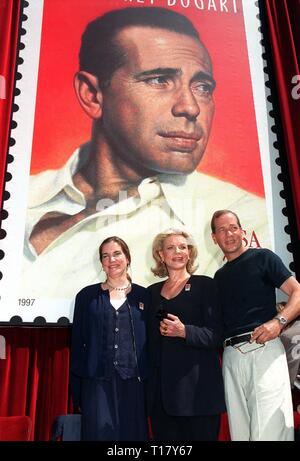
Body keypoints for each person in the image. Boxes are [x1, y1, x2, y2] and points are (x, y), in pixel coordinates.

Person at [23, 7, 270, 300]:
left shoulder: (249, 219)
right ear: (92, 94)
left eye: (202, 86)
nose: (191, 107)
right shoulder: (21, 197)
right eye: (159, 80)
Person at [211, 209, 300, 441]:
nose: (228, 234)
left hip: (264, 348)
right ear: (214, 238)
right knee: (241, 433)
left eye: (233, 228)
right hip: (231, 356)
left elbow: (297, 292)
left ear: (242, 231)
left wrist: (279, 322)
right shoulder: (218, 277)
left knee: (271, 432)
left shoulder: (263, 257)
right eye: (221, 230)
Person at [147, 228, 226, 441]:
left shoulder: (206, 285)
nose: (178, 251)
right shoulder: (151, 293)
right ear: (161, 255)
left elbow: (217, 335)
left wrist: (184, 331)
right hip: (162, 400)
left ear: (189, 253)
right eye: (170, 248)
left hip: (199, 395)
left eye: (183, 247)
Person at [70, 236, 149, 441]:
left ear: (128, 258)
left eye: (116, 254)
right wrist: (77, 389)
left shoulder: (145, 296)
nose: (111, 260)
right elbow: (77, 343)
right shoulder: (86, 297)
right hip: (96, 383)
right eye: (105, 256)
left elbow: (152, 344)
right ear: (101, 263)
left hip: (134, 383)